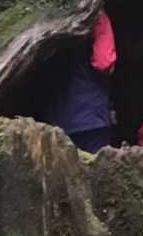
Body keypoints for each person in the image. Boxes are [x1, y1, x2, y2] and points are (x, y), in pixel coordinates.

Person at [42, 8, 117, 153]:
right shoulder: (96, 16)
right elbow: (104, 62)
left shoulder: (45, 15)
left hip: (54, 118)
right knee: (95, 164)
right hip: (90, 116)